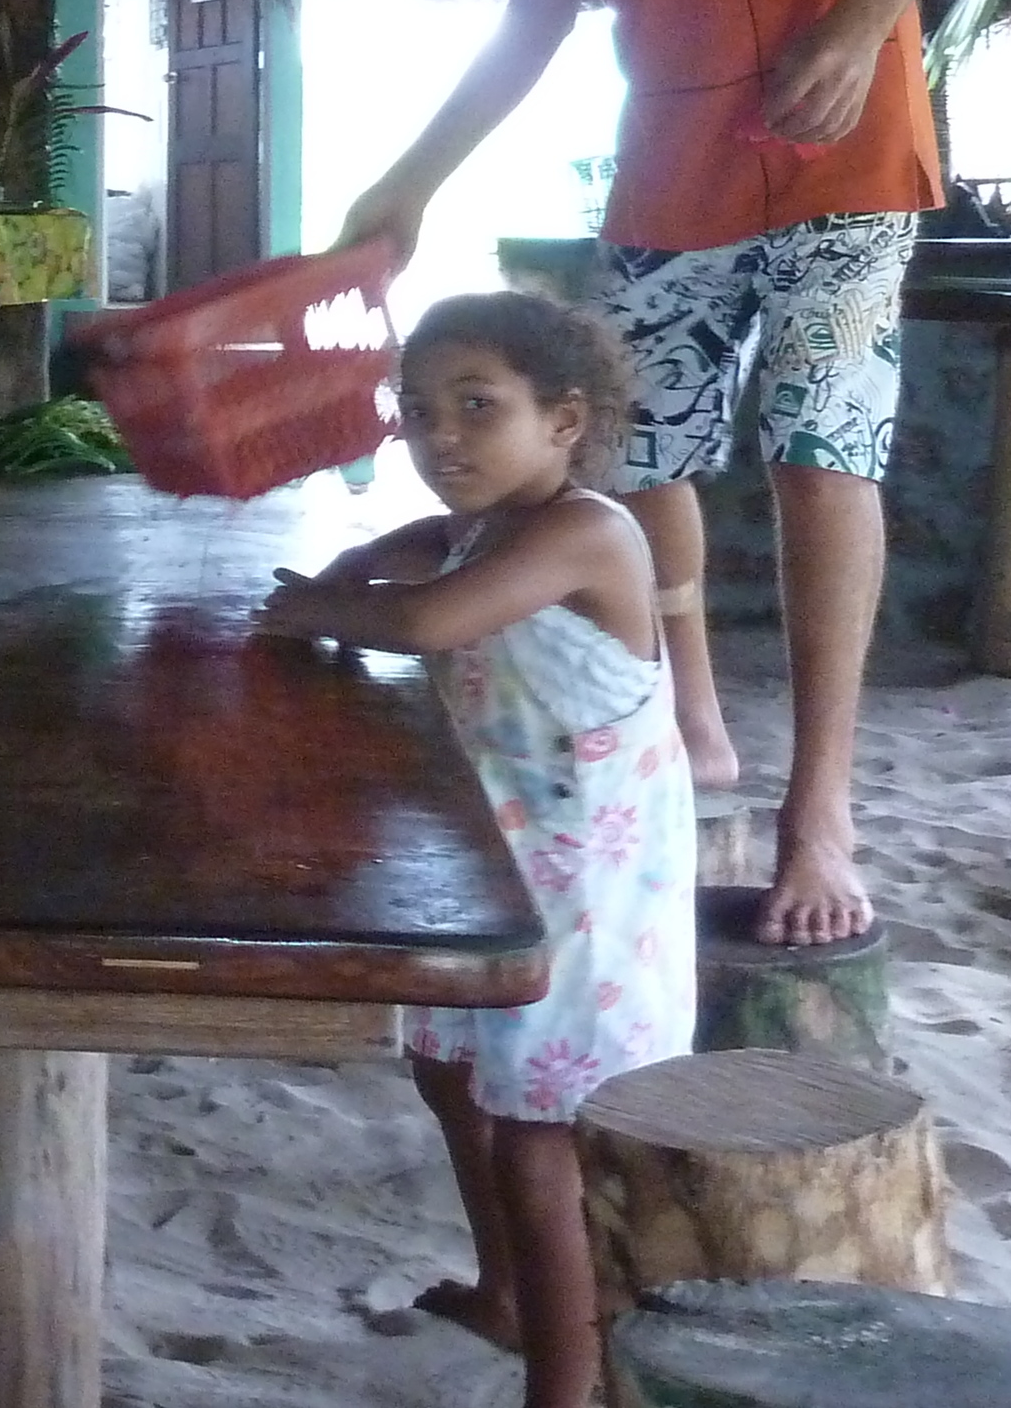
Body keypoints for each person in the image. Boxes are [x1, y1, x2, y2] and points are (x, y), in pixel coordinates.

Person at [338, 0, 1002, 947]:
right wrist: (409, 179)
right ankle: (697, 724)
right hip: (672, 151)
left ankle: (821, 808)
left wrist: (858, 24)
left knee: (824, 449)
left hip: (848, 138)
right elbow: (533, 16)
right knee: (645, 455)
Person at [263, 293, 692, 1408]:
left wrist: (312, 609)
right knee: (449, 1075)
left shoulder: (584, 529)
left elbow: (422, 621)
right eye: (415, 411)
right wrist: (356, 561)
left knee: (536, 1145)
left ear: (564, 420)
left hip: (588, 901)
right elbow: (408, 553)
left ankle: (564, 1382)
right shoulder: (482, 524)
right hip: (497, 871)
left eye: (475, 406)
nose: (439, 434)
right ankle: (504, 1295)